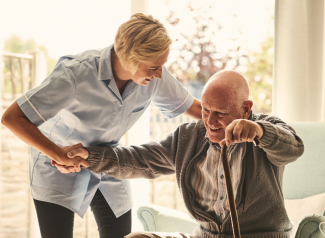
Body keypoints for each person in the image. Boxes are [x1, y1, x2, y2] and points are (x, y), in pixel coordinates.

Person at [1, 14, 202, 238]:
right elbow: (13, 117)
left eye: (161, 66)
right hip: (57, 165)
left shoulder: (154, 77)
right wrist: (58, 154)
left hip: (108, 162)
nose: (159, 74)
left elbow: (194, 108)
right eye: (154, 68)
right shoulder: (76, 73)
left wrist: (239, 120)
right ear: (130, 57)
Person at [65, 70, 305, 238]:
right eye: (206, 110)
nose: (210, 122)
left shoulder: (265, 129)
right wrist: (88, 157)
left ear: (246, 108)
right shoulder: (188, 138)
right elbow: (139, 160)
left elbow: (293, 148)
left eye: (221, 113)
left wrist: (259, 132)